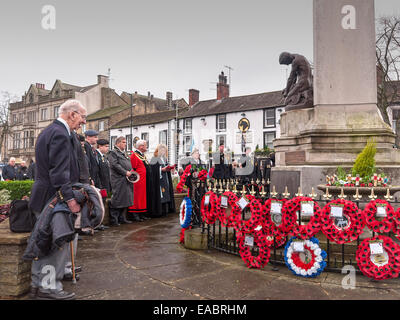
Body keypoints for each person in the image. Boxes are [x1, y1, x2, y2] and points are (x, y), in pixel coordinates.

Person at [28, 99, 87, 300]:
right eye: (83, 117)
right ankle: (47, 288)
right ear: (72, 114)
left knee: (46, 243)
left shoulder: (50, 131)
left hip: (47, 196)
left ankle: (40, 286)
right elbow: (60, 173)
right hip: (52, 199)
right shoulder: (60, 134)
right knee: (54, 245)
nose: (83, 122)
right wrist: (70, 200)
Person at [108, 136, 134, 226]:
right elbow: (114, 165)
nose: (125, 144)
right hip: (118, 179)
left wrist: (130, 171)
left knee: (126, 198)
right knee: (117, 198)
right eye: (123, 142)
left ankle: (122, 218)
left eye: (125, 142)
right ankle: (114, 219)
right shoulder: (113, 152)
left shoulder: (124, 153)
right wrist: (125, 172)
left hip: (126, 179)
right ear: (118, 143)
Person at [128, 140, 153, 221]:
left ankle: (141, 213)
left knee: (142, 197)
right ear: (140, 146)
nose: (146, 147)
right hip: (137, 180)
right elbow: (133, 168)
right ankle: (135, 214)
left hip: (144, 180)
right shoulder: (134, 155)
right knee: (137, 197)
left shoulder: (142, 155)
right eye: (145, 145)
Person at [150, 144, 176, 217]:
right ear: (157, 150)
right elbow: (153, 170)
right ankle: (159, 212)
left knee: (166, 194)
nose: (163, 151)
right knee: (161, 194)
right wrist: (161, 170)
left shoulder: (164, 159)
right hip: (159, 180)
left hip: (165, 179)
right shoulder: (154, 159)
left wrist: (170, 168)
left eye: (164, 150)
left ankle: (166, 211)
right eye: (161, 150)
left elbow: (165, 167)